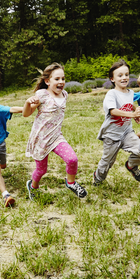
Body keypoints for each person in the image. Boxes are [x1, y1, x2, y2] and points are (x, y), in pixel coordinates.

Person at [23, 63, 87, 200]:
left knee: (72, 159)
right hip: (41, 139)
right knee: (41, 170)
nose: (61, 82)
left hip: (56, 138)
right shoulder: (42, 95)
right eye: (57, 79)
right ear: (47, 81)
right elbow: (26, 114)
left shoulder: (64, 94)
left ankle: (71, 183)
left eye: (63, 79)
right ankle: (33, 186)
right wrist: (28, 103)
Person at [93, 59, 140, 185]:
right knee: (107, 162)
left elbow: (129, 103)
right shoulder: (111, 94)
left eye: (126, 75)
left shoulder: (130, 92)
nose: (124, 78)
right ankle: (98, 177)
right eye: (120, 75)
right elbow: (113, 111)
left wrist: (135, 112)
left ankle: (131, 166)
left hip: (126, 132)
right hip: (111, 135)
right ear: (112, 79)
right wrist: (132, 114)